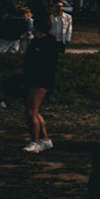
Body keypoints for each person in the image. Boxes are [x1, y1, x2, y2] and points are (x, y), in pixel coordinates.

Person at [22, 11, 62, 154]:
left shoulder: (48, 43)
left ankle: (34, 142)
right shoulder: (36, 42)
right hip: (33, 79)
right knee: (33, 111)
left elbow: (44, 64)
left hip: (41, 80)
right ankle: (44, 139)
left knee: (31, 111)